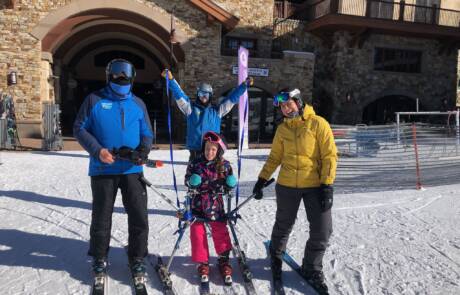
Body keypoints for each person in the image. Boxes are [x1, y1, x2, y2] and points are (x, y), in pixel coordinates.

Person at [73, 59, 154, 281]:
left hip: (131, 170)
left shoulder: (138, 103)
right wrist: (97, 150)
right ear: (109, 77)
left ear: (131, 77)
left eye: (124, 76)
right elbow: (79, 128)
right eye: (117, 76)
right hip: (102, 169)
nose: (121, 80)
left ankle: (137, 257)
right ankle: (99, 258)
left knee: (139, 216)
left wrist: (143, 151)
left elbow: (147, 133)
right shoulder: (94, 100)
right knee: (101, 217)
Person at [252, 88, 337, 295]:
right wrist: (262, 179)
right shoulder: (283, 129)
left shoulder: (318, 124)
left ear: (298, 102)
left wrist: (327, 185)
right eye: (282, 106)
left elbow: (329, 156)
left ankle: (312, 267)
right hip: (287, 185)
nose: (286, 108)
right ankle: (276, 256)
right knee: (283, 224)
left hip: (315, 185)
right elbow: (274, 157)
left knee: (322, 229)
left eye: (288, 103)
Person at [162, 69, 253, 161]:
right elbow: (179, 95)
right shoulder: (190, 109)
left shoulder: (217, 111)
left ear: (210, 96)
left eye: (206, 95)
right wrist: (170, 80)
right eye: (201, 94)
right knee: (194, 174)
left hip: (212, 151)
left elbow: (232, 98)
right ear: (198, 94)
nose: (204, 97)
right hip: (195, 150)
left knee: (211, 174)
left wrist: (244, 85)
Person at [184, 131, 236, 282]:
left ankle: (223, 259)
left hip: (215, 205)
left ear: (219, 150)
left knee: (220, 231)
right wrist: (191, 181)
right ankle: (203, 262)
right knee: (197, 232)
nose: (209, 152)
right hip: (198, 205)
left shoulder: (224, 165)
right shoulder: (195, 163)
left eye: (213, 149)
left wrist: (229, 183)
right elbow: (187, 181)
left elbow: (229, 185)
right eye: (207, 148)